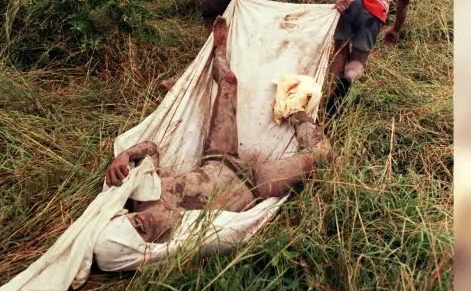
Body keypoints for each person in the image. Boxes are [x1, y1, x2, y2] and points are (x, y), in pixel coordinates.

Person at [96, 18, 334, 258]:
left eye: (133, 222)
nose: (141, 223)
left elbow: (152, 149)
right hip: (254, 184)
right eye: (140, 232)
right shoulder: (177, 244)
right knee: (322, 153)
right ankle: (296, 113)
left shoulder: (144, 196)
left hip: (219, 158)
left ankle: (219, 51)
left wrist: (126, 154)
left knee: (229, 81)